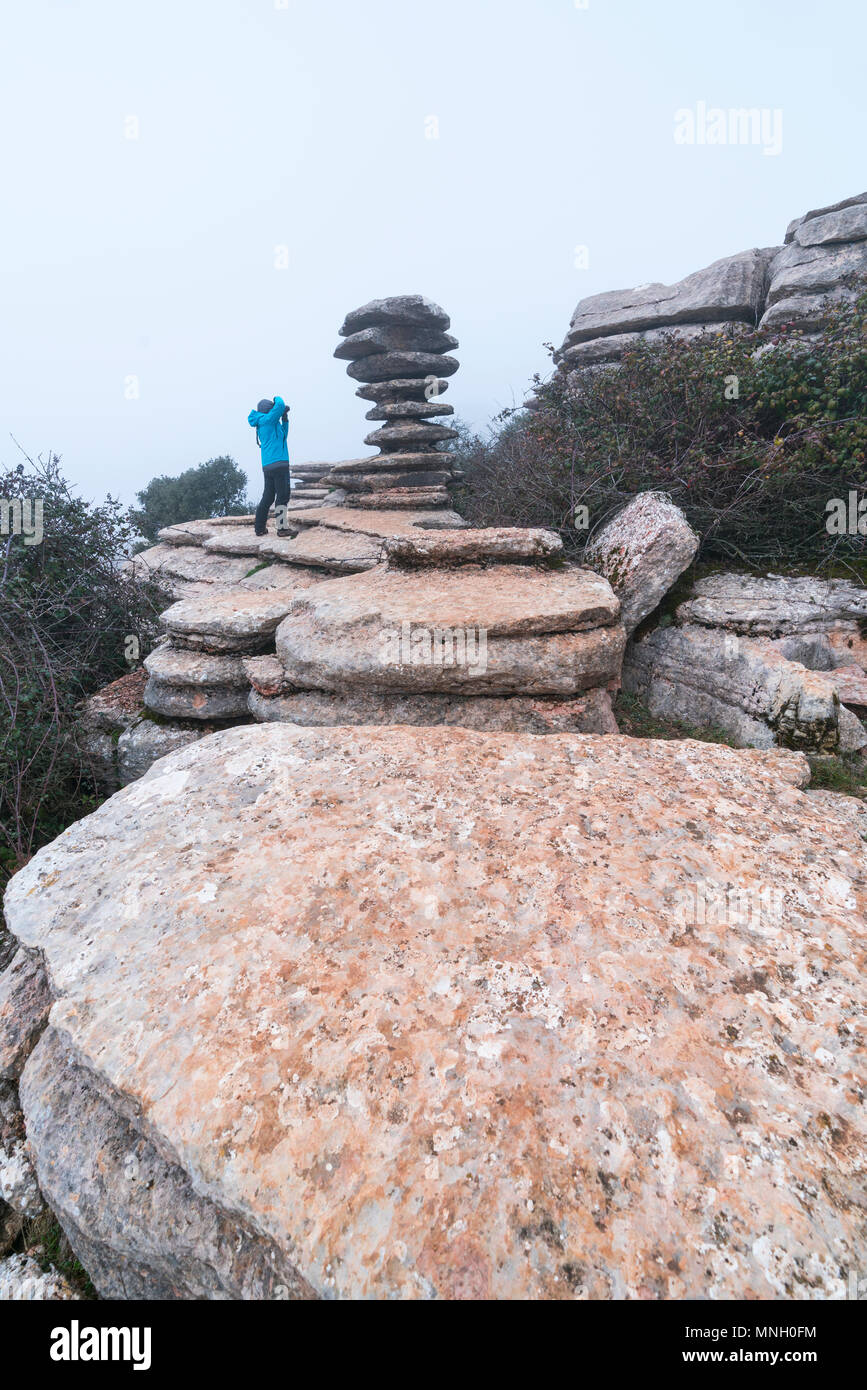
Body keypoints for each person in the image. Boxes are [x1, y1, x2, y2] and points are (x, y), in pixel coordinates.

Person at [248, 396, 292, 536]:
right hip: (279, 464)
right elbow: (280, 404)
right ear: (269, 410)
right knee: (283, 496)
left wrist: (284, 417)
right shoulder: (267, 419)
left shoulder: (266, 423)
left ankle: (259, 528)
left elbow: (283, 435)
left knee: (268, 497)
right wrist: (276, 399)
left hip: (268, 466)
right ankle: (282, 528)